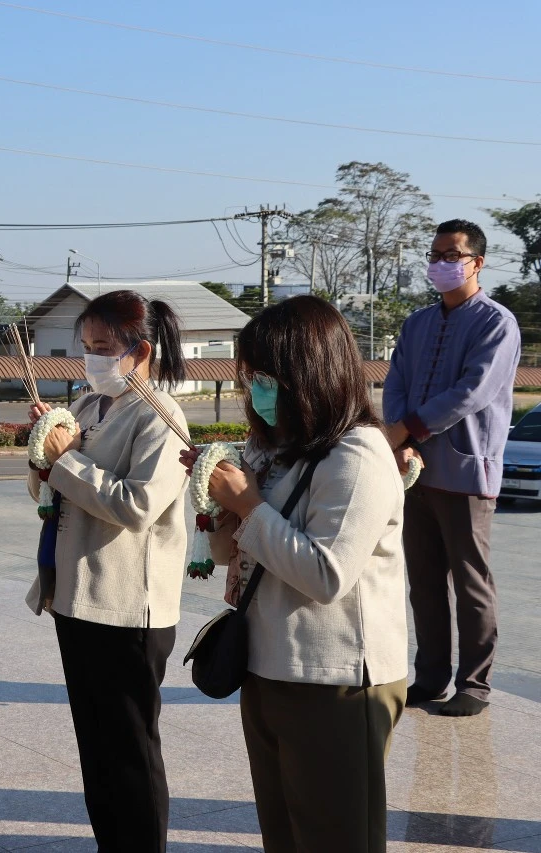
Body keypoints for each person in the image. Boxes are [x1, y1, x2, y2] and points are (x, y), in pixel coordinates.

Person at [184, 295, 408, 853]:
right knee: (284, 833)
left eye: (266, 375)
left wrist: (249, 505)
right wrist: (219, 506)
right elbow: (234, 555)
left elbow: (326, 575)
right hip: (269, 666)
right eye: (249, 375)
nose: (255, 389)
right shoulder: (281, 450)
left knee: (337, 836)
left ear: (307, 373)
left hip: (334, 680)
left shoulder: (356, 455)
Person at [26, 291, 190, 853]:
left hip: (127, 604)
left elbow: (137, 506)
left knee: (130, 751)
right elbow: (53, 487)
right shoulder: (92, 404)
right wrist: (43, 452)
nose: (91, 360)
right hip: (77, 595)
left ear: (140, 351)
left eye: (102, 349)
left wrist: (67, 458)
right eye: (88, 347)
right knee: (95, 746)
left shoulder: (161, 415)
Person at [382, 219, 522, 717]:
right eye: (435, 254)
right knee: (423, 581)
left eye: (452, 255)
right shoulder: (417, 323)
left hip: (464, 471)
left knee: (471, 582)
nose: (441, 263)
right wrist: (396, 435)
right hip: (412, 470)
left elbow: (472, 391)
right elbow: (395, 380)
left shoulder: (496, 322)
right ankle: (430, 677)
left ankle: (475, 685)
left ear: (476, 262)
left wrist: (407, 430)